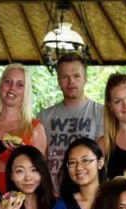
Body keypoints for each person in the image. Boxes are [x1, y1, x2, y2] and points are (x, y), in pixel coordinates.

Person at [37, 53, 104, 194]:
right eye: (65, 77)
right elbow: (40, 158)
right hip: (53, 192)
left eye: (76, 76)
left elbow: (100, 157)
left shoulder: (100, 113)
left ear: (85, 78)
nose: (71, 81)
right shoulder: (45, 116)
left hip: (87, 193)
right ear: (58, 80)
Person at [0, 64, 47, 193]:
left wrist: (22, 153)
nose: (12, 88)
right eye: (7, 81)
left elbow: (40, 174)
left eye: (20, 84)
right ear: (0, 86)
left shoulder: (35, 128)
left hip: (18, 199)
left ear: (26, 91)